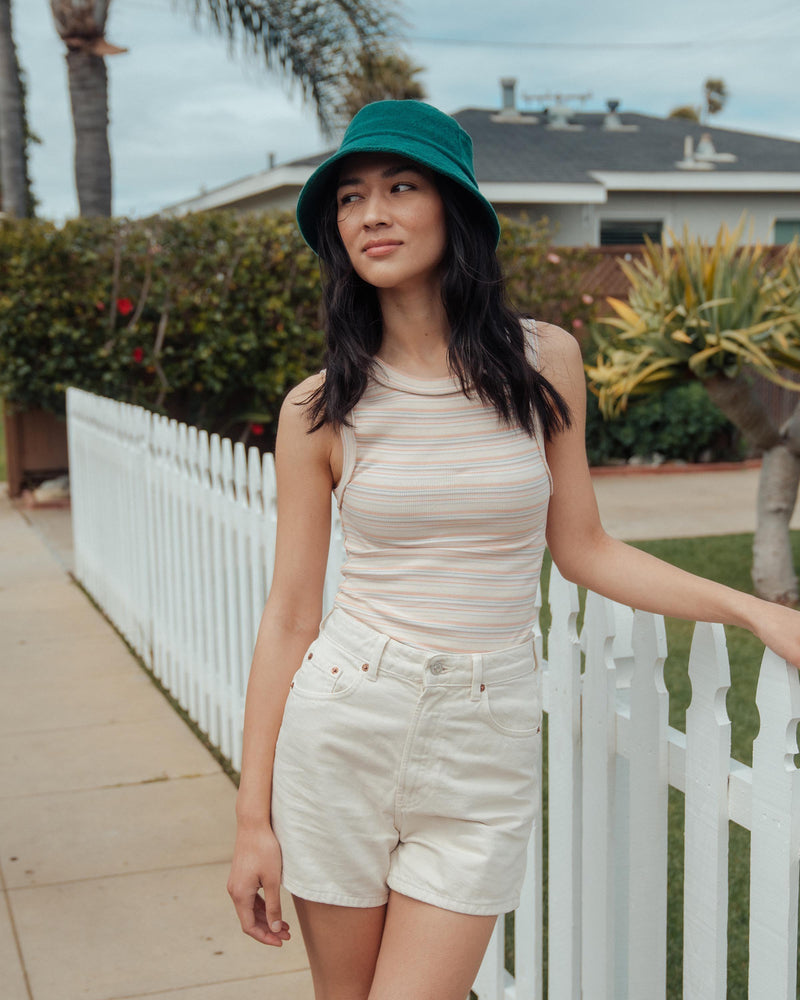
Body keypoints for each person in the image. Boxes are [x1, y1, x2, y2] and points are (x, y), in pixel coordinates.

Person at [227, 99, 800, 1000]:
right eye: (348, 198)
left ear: (453, 206)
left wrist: (750, 606)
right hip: (345, 723)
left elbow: (584, 548)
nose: (369, 213)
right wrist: (251, 819)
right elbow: (290, 614)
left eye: (400, 187)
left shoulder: (545, 362)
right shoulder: (318, 411)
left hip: (485, 731)